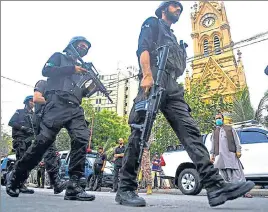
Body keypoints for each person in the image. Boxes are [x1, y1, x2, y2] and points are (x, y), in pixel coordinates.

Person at [115, 1, 254, 207]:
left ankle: (215, 186)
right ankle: (125, 189)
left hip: (172, 86)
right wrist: (146, 75)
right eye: (174, 6)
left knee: (191, 133)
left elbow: (178, 66)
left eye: (180, 8)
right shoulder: (152, 23)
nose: (178, 9)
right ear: (164, 9)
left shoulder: (173, 37)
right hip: (153, 80)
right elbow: (142, 49)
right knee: (140, 132)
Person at [6, 36, 96, 201]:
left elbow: (81, 93)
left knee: (82, 139)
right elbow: (46, 70)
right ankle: (17, 177)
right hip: (56, 105)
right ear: (72, 46)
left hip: (74, 108)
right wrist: (71, 69)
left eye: (86, 47)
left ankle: (74, 186)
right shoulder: (59, 57)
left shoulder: (81, 70)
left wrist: (91, 87)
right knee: (43, 142)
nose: (84, 48)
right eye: (81, 45)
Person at [32, 79, 66, 194]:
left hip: (47, 123)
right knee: (50, 151)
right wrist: (52, 102)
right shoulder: (43, 83)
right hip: (41, 122)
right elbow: (36, 98)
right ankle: (56, 183)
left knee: (40, 151)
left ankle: (16, 178)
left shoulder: (55, 90)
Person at [210, 113, 253, 198]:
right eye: (216, 119)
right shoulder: (214, 131)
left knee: (238, 175)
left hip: (231, 155)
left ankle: (245, 192)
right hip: (220, 157)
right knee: (225, 177)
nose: (217, 120)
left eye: (219, 118)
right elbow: (213, 145)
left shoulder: (230, 129)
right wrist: (212, 155)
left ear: (223, 119)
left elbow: (237, 141)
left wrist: (238, 151)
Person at [8, 95, 35, 194]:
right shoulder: (19, 112)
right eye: (32, 101)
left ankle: (22, 183)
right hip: (20, 139)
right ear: (27, 102)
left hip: (29, 141)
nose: (33, 103)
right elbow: (11, 122)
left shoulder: (34, 115)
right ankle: (14, 183)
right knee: (20, 161)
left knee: (27, 162)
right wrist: (23, 128)